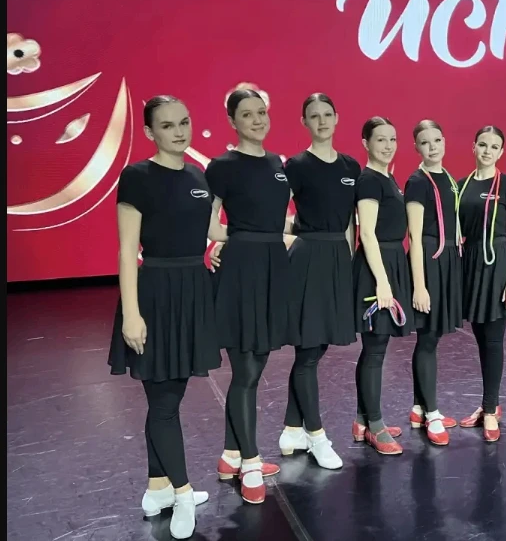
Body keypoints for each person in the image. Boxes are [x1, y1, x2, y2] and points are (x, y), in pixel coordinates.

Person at [109, 96, 222, 538]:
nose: (179, 131)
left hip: (193, 292)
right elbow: (126, 250)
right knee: (163, 403)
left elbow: (210, 231)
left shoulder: (198, 175)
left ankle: (157, 488)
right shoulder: (137, 176)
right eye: (168, 125)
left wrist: (272, 232)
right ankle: (182, 493)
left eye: (185, 122)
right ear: (150, 132)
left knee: (166, 401)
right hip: (155, 294)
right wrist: (131, 314)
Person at [206, 89, 290, 503]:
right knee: (244, 371)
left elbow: (278, 220)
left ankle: (230, 455)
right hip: (241, 271)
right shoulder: (222, 167)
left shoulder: (277, 164)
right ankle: (251, 463)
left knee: (255, 369)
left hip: (273, 268)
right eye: (247, 114)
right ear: (232, 121)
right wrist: (236, 240)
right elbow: (209, 224)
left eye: (262, 112)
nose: (257, 120)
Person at [277, 93, 358, 468]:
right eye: (314, 115)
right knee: (308, 350)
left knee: (317, 347)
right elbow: (275, 213)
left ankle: (292, 428)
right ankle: (316, 434)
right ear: (304, 122)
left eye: (327, 114)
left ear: (337, 118)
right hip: (308, 259)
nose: (322, 121)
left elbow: (350, 223)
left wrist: (350, 263)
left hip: (339, 258)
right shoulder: (296, 165)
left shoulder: (350, 166)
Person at [456, 126, 506, 442]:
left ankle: (491, 409)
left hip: (498, 266)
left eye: (494, 146)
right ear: (474, 147)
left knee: (494, 340)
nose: (487, 151)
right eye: (482, 145)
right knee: (481, 339)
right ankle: (487, 405)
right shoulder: (462, 185)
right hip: (471, 265)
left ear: (501, 152)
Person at [354, 116, 414, 455]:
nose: (388, 145)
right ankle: (375, 426)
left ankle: (363, 419)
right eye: (380, 139)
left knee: (375, 349)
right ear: (366, 143)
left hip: (391, 261)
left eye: (392, 139)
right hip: (377, 267)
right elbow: (367, 233)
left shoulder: (388, 178)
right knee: (375, 349)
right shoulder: (369, 180)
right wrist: (382, 282)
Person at [404, 120, 463, 445]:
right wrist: (419, 285)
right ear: (416, 147)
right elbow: (414, 236)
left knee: (433, 337)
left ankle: (419, 407)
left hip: (448, 261)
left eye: (437, 140)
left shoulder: (450, 179)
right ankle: (432, 412)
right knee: (427, 337)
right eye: (425, 142)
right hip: (429, 261)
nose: (433, 147)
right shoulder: (417, 182)